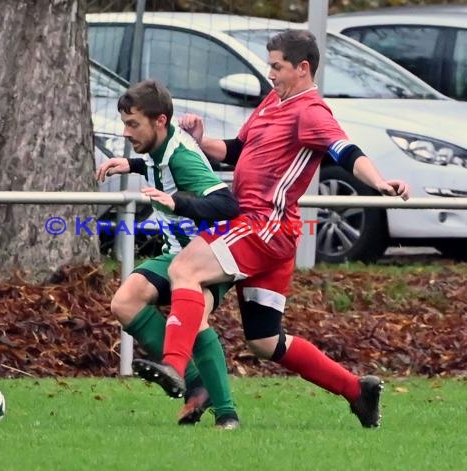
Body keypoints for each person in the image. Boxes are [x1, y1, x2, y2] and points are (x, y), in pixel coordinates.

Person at [132, 30, 410, 428]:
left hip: (262, 226)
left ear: (302, 68)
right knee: (265, 342)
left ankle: (175, 366)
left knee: (184, 270)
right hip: (270, 235)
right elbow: (238, 150)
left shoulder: (310, 111)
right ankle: (357, 391)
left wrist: (379, 181)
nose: (270, 73)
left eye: (276, 66)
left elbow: (345, 151)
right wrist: (201, 141)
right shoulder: (272, 102)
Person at [96, 80, 240, 429]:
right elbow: (156, 167)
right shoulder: (160, 149)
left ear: (159, 121)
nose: (126, 132)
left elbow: (226, 203)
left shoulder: (182, 156)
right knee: (125, 302)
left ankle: (227, 415)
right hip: (176, 254)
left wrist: (178, 203)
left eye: (133, 124)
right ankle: (195, 383)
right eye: (125, 123)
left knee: (195, 319)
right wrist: (129, 164)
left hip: (210, 256)